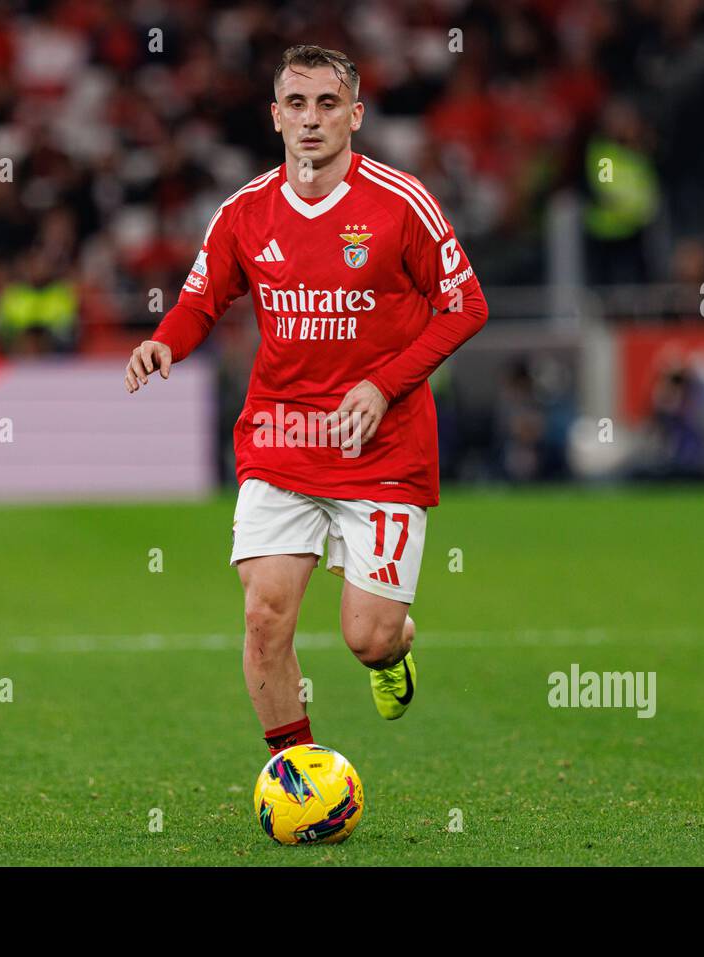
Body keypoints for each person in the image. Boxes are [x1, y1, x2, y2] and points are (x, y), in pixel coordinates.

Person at [124, 45, 489, 755]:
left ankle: (394, 649)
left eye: (327, 104)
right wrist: (166, 340)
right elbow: (202, 298)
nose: (311, 119)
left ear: (356, 114)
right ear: (275, 117)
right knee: (264, 618)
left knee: (368, 635)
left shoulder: (401, 203)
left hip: (380, 445)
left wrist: (383, 385)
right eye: (296, 104)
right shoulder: (245, 211)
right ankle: (298, 774)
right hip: (281, 437)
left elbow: (465, 306)